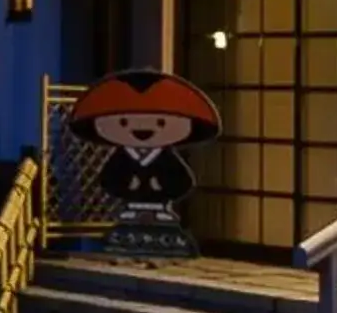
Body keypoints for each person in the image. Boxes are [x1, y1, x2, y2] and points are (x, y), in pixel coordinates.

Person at [62, 70, 222, 259]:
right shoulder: (123, 157)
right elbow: (108, 179)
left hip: (161, 206)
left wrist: (162, 185)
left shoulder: (165, 157)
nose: (142, 129)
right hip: (131, 205)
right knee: (129, 220)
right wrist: (128, 186)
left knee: (163, 222)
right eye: (123, 122)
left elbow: (183, 181)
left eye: (161, 122)